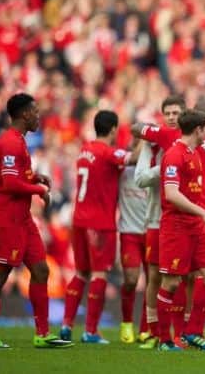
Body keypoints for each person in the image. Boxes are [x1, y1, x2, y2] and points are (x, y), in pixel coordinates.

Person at [0, 93, 72, 349]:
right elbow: (10, 183)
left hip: (23, 219)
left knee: (41, 270)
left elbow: (18, 176)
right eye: (34, 111)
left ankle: (42, 334)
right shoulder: (10, 142)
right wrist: (39, 191)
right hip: (7, 220)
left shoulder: (20, 141)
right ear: (23, 114)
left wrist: (35, 178)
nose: (38, 116)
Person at [60, 110, 135, 344]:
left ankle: (66, 324)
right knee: (99, 273)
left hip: (78, 220)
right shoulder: (107, 153)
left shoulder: (85, 150)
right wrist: (145, 136)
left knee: (81, 273)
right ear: (113, 129)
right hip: (99, 223)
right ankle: (91, 331)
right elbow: (131, 158)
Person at [154, 109, 205, 352]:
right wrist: (204, 213)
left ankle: (193, 331)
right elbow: (172, 195)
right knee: (171, 284)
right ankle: (164, 340)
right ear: (197, 130)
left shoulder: (196, 153)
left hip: (196, 226)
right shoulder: (174, 155)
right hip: (176, 227)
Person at [132, 96, 183, 348]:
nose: (173, 117)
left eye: (176, 112)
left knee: (181, 277)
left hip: (184, 220)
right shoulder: (152, 145)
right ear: (163, 116)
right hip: (155, 219)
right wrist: (164, 168)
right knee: (154, 276)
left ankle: (180, 331)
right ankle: (153, 332)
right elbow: (139, 179)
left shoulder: (190, 143)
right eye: (169, 113)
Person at [117, 152, 149, 343]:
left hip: (151, 231)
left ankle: (146, 328)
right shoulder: (123, 171)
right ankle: (126, 323)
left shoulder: (154, 171)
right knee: (131, 280)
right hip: (129, 232)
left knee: (153, 281)